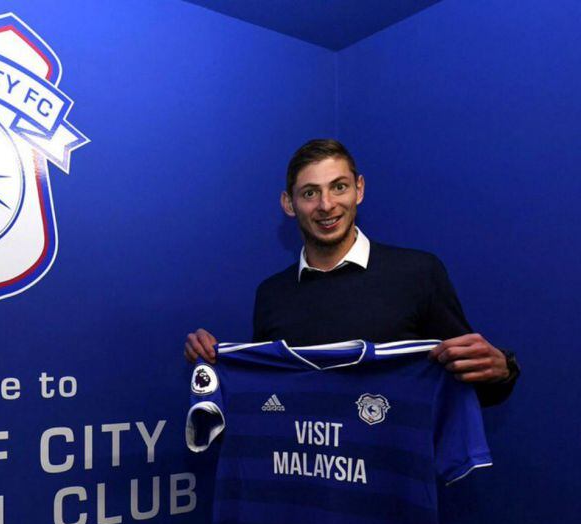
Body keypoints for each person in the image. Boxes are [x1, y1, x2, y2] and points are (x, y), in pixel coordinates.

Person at [184, 139, 518, 405]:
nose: (326, 205)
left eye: (339, 187)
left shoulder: (419, 273)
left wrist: (501, 370)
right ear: (289, 203)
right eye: (310, 193)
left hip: (392, 481)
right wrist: (213, 361)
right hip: (301, 480)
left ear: (359, 189)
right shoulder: (271, 293)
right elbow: (265, 396)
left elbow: (476, 386)